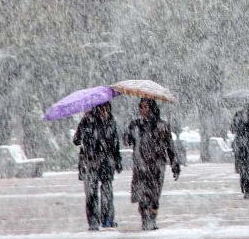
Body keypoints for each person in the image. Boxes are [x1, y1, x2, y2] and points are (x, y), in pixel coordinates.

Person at [124, 98, 181, 230]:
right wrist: (129, 132)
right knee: (143, 196)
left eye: (146, 107)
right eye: (142, 107)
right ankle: (145, 220)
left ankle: (152, 219)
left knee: (154, 196)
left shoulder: (162, 125)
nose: (144, 110)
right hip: (141, 165)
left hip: (157, 166)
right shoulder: (136, 125)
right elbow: (127, 141)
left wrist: (174, 164)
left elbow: (170, 146)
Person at [73, 102, 122, 231]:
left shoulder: (111, 123)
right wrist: (84, 125)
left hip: (106, 162)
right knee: (91, 194)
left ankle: (107, 219)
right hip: (90, 162)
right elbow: (76, 140)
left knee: (107, 192)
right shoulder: (87, 122)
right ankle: (93, 222)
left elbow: (115, 144)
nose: (104, 112)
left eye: (107, 110)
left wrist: (117, 160)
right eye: (102, 110)